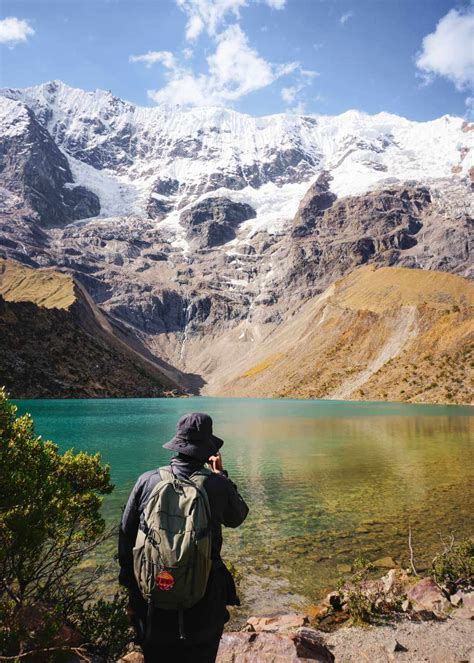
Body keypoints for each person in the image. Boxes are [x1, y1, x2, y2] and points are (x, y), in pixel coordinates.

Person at [118, 412, 249, 663]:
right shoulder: (216, 485)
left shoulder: (147, 481)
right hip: (205, 600)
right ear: (207, 450)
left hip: (153, 599)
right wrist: (222, 476)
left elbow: (126, 537)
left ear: (177, 445)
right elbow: (238, 516)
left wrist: (132, 591)